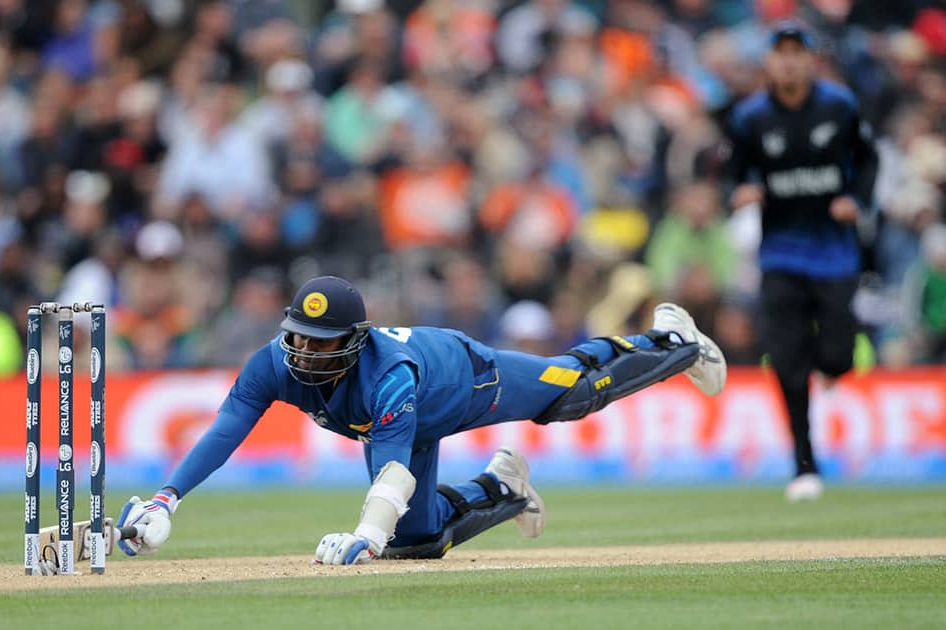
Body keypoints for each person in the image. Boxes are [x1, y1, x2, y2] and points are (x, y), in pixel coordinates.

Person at [116, 275, 726, 565]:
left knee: (569, 393)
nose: (305, 353)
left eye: (321, 344)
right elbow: (225, 431)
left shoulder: (388, 375)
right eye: (299, 339)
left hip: (466, 379)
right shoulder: (274, 363)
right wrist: (165, 500)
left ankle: (672, 337)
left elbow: (392, 472)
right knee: (420, 541)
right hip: (406, 423)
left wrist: (365, 538)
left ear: (354, 341)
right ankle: (502, 488)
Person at [726, 22, 879, 502]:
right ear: (769, 62)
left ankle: (830, 368)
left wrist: (857, 198)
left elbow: (869, 159)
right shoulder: (751, 116)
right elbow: (731, 171)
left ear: (811, 60)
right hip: (781, 254)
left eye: (797, 53)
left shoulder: (839, 105)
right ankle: (804, 464)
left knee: (837, 356)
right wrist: (739, 191)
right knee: (788, 362)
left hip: (835, 254)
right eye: (780, 53)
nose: (789, 62)